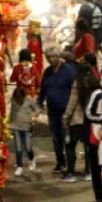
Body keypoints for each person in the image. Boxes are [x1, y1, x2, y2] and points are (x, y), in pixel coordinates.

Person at [38, 46, 76, 174]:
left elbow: (74, 90)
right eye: (48, 58)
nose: (51, 60)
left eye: (53, 57)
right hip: (52, 110)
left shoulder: (68, 71)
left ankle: (69, 164)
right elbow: (43, 89)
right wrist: (39, 101)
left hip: (65, 112)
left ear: (58, 57)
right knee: (55, 138)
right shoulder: (47, 72)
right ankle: (60, 161)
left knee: (65, 137)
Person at [9, 86, 37, 177]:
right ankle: (19, 166)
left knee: (28, 147)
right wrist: (9, 123)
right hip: (16, 126)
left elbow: (37, 109)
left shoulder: (29, 100)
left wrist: (33, 119)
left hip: (26, 127)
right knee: (18, 148)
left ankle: (32, 159)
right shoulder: (14, 100)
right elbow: (12, 112)